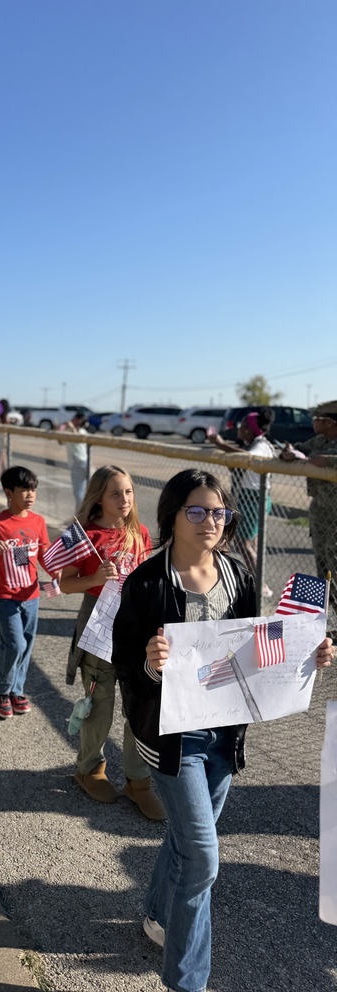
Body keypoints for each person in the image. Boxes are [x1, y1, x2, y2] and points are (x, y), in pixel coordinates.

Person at [111, 469, 333, 992]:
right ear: (172, 515)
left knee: (189, 840)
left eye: (218, 512)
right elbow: (123, 660)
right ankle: (187, 981)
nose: (210, 521)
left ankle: (157, 917)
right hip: (170, 739)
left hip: (222, 734)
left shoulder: (239, 576)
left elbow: (259, 645)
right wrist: (149, 662)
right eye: (197, 511)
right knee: (205, 859)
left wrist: (312, 653)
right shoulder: (146, 581)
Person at [59, 465, 162, 819]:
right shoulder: (85, 536)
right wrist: (94, 576)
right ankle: (89, 769)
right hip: (98, 628)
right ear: (99, 497)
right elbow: (65, 583)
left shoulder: (140, 533)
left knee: (140, 705)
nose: (125, 499)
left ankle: (139, 781)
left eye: (129, 492)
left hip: (135, 628)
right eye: (116, 493)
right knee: (98, 704)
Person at [0, 466, 55, 718]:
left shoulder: (38, 522)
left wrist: (56, 572)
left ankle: (16, 689)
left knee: (27, 644)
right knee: (14, 644)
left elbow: (45, 555)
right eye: (24, 490)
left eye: (33, 490)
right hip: (5, 596)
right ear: (8, 492)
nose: (30, 495)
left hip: (31, 595)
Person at [280, 400, 337, 634]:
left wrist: (328, 461)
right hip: (320, 510)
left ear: (330, 422)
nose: (313, 422)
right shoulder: (320, 441)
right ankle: (329, 620)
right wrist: (289, 453)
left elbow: (321, 459)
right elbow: (300, 449)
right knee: (322, 567)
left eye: (318, 418)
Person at [209, 409, 276, 591]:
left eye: (243, 425)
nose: (239, 428)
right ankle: (255, 579)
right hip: (248, 497)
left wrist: (222, 445)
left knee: (243, 542)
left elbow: (247, 458)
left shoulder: (260, 446)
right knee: (249, 542)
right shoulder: (253, 444)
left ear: (250, 429)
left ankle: (261, 585)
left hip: (253, 499)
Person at [58, 412, 89, 507]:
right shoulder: (69, 431)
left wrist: (71, 427)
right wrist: (60, 430)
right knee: (78, 492)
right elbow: (61, 442)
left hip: (82, 462)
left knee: (87, 491)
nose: (72, 420)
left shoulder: (82, 432)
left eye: (74, 418)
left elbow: (77, 437)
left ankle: (82, 515)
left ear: (79, 421)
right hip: (75, 463)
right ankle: (79, 514)